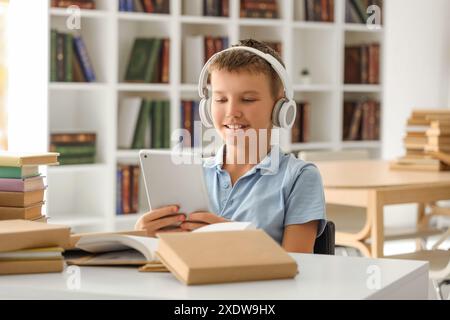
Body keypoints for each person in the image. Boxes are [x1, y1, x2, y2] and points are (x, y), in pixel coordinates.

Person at [135, 39, 326, 253]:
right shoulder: (191, 173)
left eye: (247, 99)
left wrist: (233, 237)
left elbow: (299, 264)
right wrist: (143, 238)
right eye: (221, 100)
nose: (232, 112)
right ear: (207, 107)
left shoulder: (299, 177)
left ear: (280, 108)